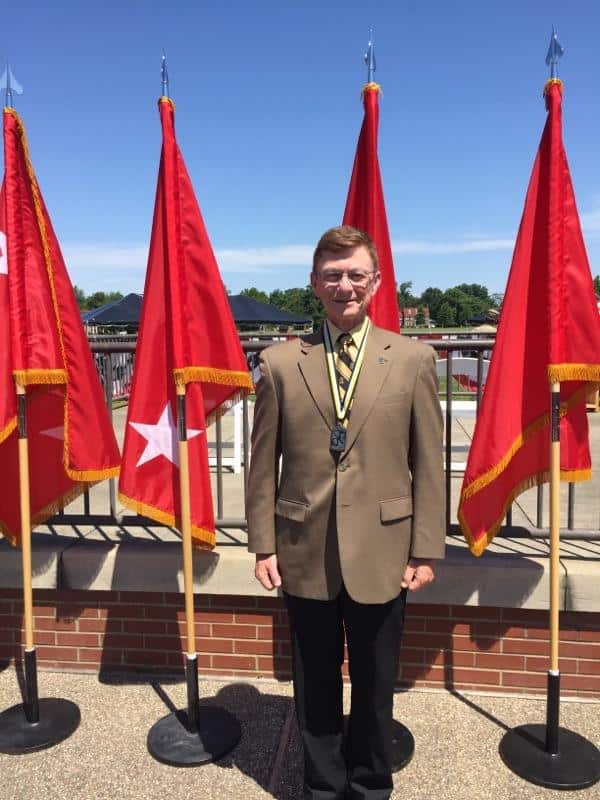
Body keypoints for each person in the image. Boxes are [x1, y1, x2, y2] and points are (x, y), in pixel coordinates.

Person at [246, 225, 445, 800]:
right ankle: (324, 786)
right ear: (314, 283)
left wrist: (425, 548)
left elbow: (428, 462)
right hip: (303, 547)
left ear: (376, 282)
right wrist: (263, 544)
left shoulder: (413, 359)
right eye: (333, 275)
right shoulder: (280, 363)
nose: (345, 286)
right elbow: (263, 463)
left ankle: (371, 785)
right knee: (314, 682)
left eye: (356, 274)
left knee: (376, 682)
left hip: (385, 548)